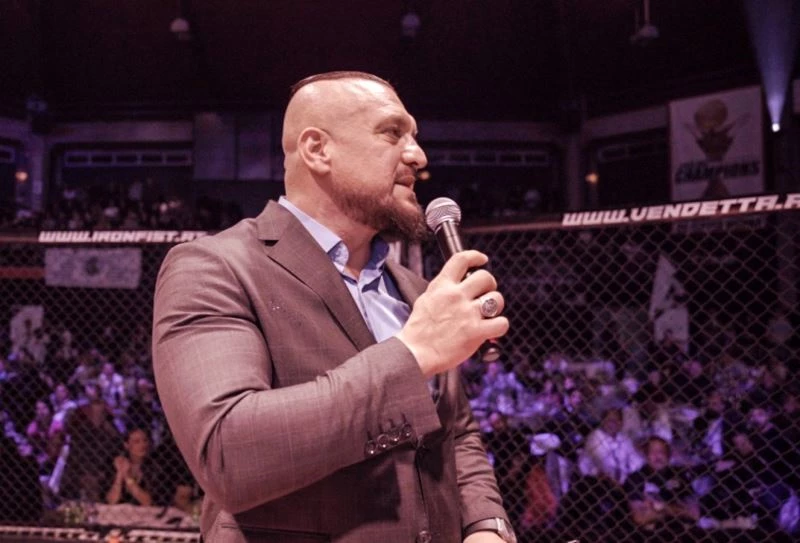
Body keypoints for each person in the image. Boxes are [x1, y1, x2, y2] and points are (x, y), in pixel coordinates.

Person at [152, 71, 514, 542]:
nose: (417, 155)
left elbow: (456, 434)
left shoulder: (416, 290)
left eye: (414, 136)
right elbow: (229, 453)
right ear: (317, 149)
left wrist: (485, 526)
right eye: (392, 132)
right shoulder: (214, 267)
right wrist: (411, 355)